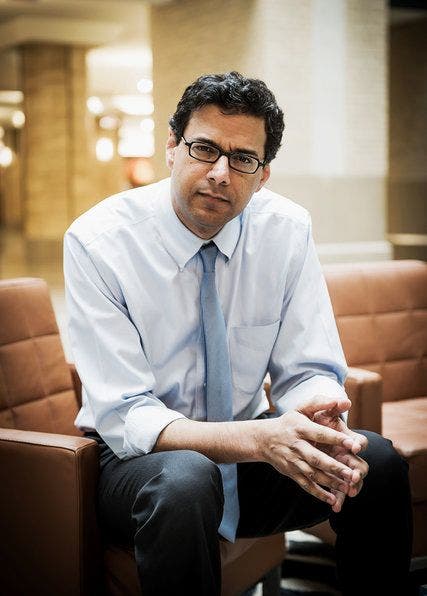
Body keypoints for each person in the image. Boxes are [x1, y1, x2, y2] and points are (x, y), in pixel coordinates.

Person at [64, 71, 412, 596]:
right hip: (138, 467)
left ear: (263, 173)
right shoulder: (98, 242)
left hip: (252, 452)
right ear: (172, 147)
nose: (220, 174)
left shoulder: (286, 231)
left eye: (243, 159)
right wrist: (257, 439)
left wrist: (317, 412)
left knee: (376, 463)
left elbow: (308, 368)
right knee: (185, 479)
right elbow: (126, 413)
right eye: (204, 149)